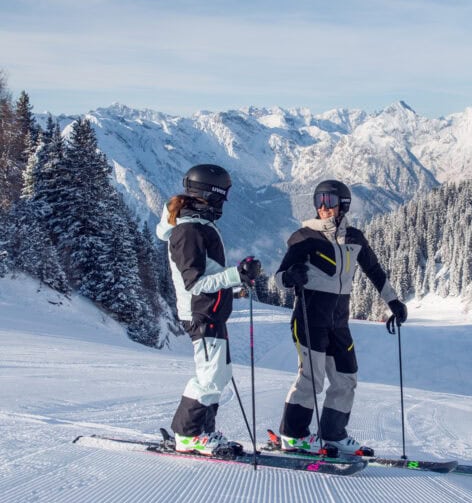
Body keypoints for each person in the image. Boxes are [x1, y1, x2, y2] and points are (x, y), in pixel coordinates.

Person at [274, 179, 407, 455]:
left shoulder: (355, 239)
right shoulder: (304, 237)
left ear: (343, 205)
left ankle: (333, 435)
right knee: (311, 378)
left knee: (346, 377)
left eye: (330, 201)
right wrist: (289, 277)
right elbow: (279, 277)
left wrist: (393, 301)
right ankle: (293, 435)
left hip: (338, 321)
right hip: (309, 318)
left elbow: (374, 270)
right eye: (319, 201)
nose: (323, 207)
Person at [156, 164, 261, 455]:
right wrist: (236, 275)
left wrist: (237, 280)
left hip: (211, 312)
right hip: (200, 313)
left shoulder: (198, 225)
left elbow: (209, 273)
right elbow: (195, 284)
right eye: (223, 196)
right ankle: (187, 435)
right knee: (209, 377)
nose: (224, 202)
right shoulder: (188, 231)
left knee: (219, 374)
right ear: (211, 195)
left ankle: (204, 432)